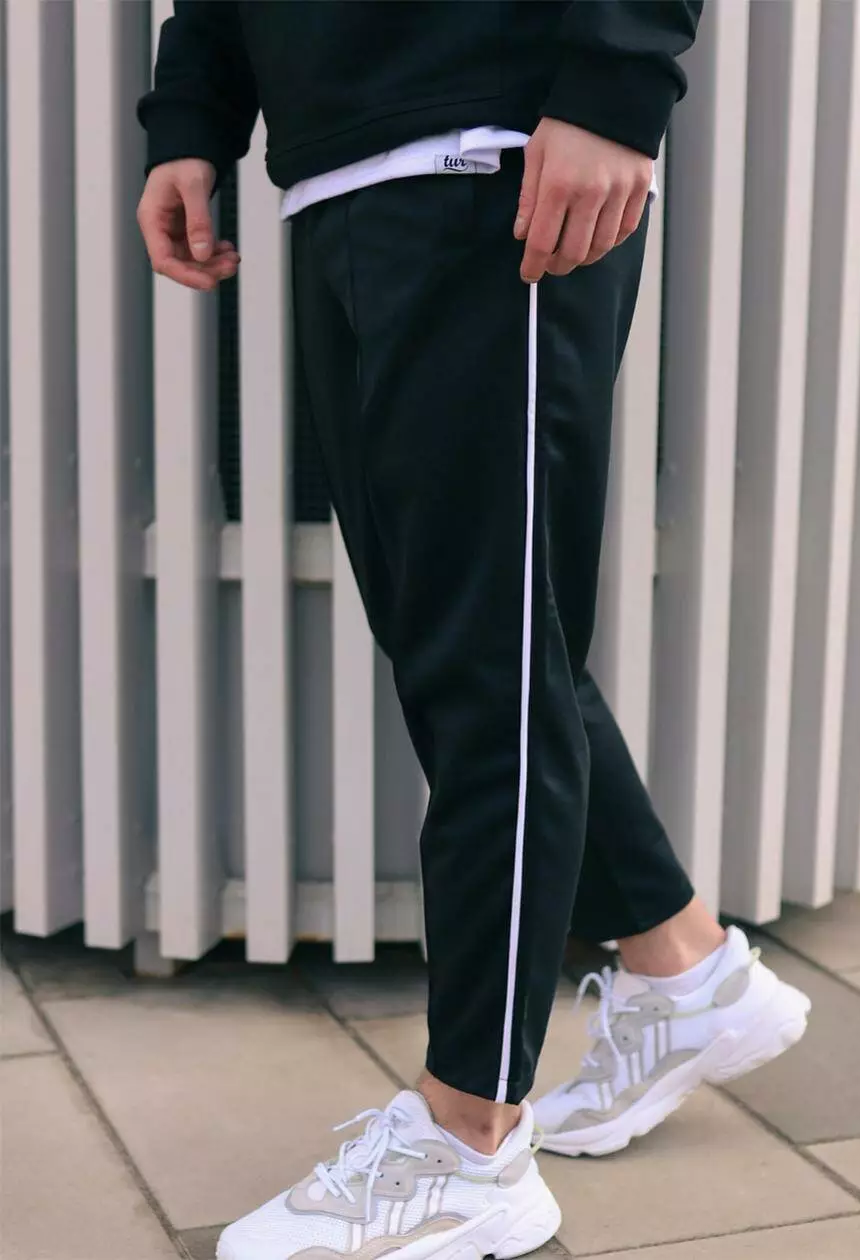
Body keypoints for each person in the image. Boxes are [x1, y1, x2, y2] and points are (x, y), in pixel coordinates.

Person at [136, 5, 811, 1259]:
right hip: (337, 168)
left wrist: (615, 78)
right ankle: (686, 970)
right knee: (468, 639)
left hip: (494, 152)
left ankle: (470, 1142)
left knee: (488, 666)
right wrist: (194, 112)